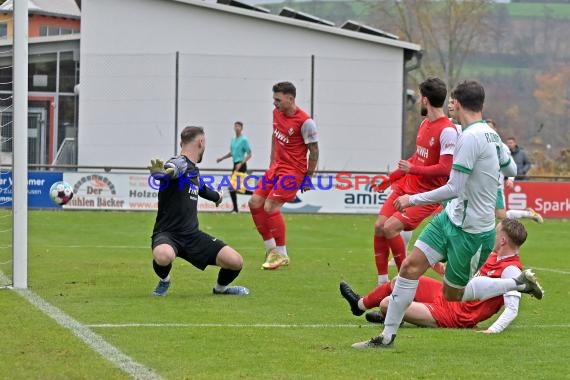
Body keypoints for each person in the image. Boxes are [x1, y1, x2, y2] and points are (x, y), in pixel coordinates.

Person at [351, 80, 540, 349]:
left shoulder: (471, 138)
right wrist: (494, 168)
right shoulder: (490, 134)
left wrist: (411, 199)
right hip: (448, 219)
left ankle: (516, 284)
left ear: (459, 104)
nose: (449, 105)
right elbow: (510, 169)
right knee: (409, 267)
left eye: (452, 101)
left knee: (454, 294)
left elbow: (454, 188)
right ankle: (387, 336)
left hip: (472, 232)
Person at [341, 219, 542, 333]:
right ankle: (360, 304)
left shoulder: (512, 271)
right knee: (399, 282)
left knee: (387, 303)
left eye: (495, 233)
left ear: (504, 240)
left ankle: (393, 316)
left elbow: (512, 309)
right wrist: (431, 263)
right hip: (448, 295)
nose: (491, 234)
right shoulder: (491, 255)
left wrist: (492, 331)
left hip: (456, 315)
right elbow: (465, 280)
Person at [373, 78, 459, 284]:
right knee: (380, 226)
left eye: (421, 97)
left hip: (424, 196)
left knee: (390, 228)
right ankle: (383, 282)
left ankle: (404, 281)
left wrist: (414, 169)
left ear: (425, 100)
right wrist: (391, 178)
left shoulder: (448, 131)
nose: (420, 101)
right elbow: (417, 158)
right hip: (406, 186)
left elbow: (445, 168)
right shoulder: (424, 123)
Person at [148, 126, 249, 296]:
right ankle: (164, 281)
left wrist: (217, 197)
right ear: (201, 142)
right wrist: (163, 175)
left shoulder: (193, 171)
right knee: (163, 255)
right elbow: (173, 170)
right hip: (167, 234)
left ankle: (220, 289)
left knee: (236, 261)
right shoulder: (179, 162)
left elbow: (202, 188)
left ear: (182, 142)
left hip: (192, 236)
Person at [248, 81, 319, 270]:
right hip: (277, 167)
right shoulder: (276, 113)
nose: (275, 103)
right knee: (254, 202)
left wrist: (308, 177)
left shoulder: (305, 122)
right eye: (274, 100)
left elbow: (314, 151)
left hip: (293, 171)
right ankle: (271, 249)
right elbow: (275, 134)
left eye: (278, 100)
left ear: (290, 98)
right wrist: (272, 160)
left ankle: (281, 253)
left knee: (270, 206)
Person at [486, 119, 542, 223]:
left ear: (495, 129)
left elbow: (511, 164)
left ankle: (528, 214)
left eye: (491, 127)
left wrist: (511, 179)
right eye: (486, 127)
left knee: (501, 216)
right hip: (482, 186)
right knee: (487, 215)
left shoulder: (502, 147)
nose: (488, 129)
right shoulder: (480, 144)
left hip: (496, 187)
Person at [216, 121, 253, 213]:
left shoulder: (244, 140)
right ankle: (236, 209)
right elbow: (232, 153)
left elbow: (249, 154)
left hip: (241, 165)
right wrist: (222, 158)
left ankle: (256, 194)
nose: (236, 128)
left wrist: (241, 163)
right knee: (234, 188)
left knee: (234, 188)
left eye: (238, 126)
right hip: (235, 165)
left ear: (241, 128)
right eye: (235, 126)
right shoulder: (233, 139)